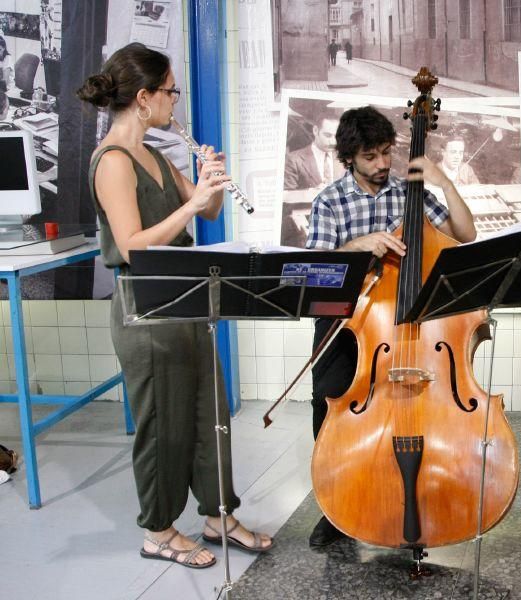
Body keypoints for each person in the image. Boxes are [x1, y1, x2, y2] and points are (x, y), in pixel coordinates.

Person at [76, 42, 273, 569]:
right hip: (144, 308)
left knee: (210, 412)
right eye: (170, 92)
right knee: (163, 424)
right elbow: (135, 243)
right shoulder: (113, 162)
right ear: (143, 98)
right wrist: (189, 202)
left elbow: (202, 212)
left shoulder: (155, 154)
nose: (174, 102)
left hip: (184, 300)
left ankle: (218, 514)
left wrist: (209, 183)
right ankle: (158, 531)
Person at [304, 106, 476, 547]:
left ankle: (410, 490)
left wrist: (445, 182)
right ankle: (334, 504)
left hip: (405, 323)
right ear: (348, 158)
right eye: (370, 157)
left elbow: (466, 233)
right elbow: (316, 270)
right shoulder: (330, 200)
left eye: (386, 153)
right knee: (329, 406)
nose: (382, 165)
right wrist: (357, 246)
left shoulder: (408, 192)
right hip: (348, 321)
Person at [283, 111, 342, 191]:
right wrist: (310, 192)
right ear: (315, 130)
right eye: (328, 135)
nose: (333, 142)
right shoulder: (293, 159)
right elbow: (286, 196)